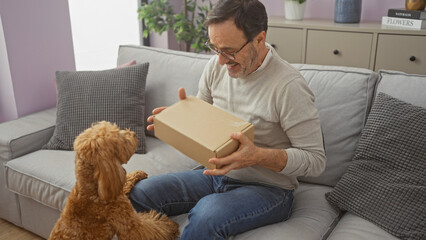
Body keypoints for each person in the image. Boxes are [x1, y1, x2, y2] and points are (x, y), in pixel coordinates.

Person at [130, 0, 326, 239]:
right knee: (141, 192)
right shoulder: (216, 66)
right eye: (215, 48)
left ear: (259, 39)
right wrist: (176, 118)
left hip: (268, 189)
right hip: (214, 175)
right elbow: (202, 118)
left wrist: (257, 155)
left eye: (230, 51)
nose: (221, 60)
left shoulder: (289, 87)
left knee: (206, 214)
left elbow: (316, 161)